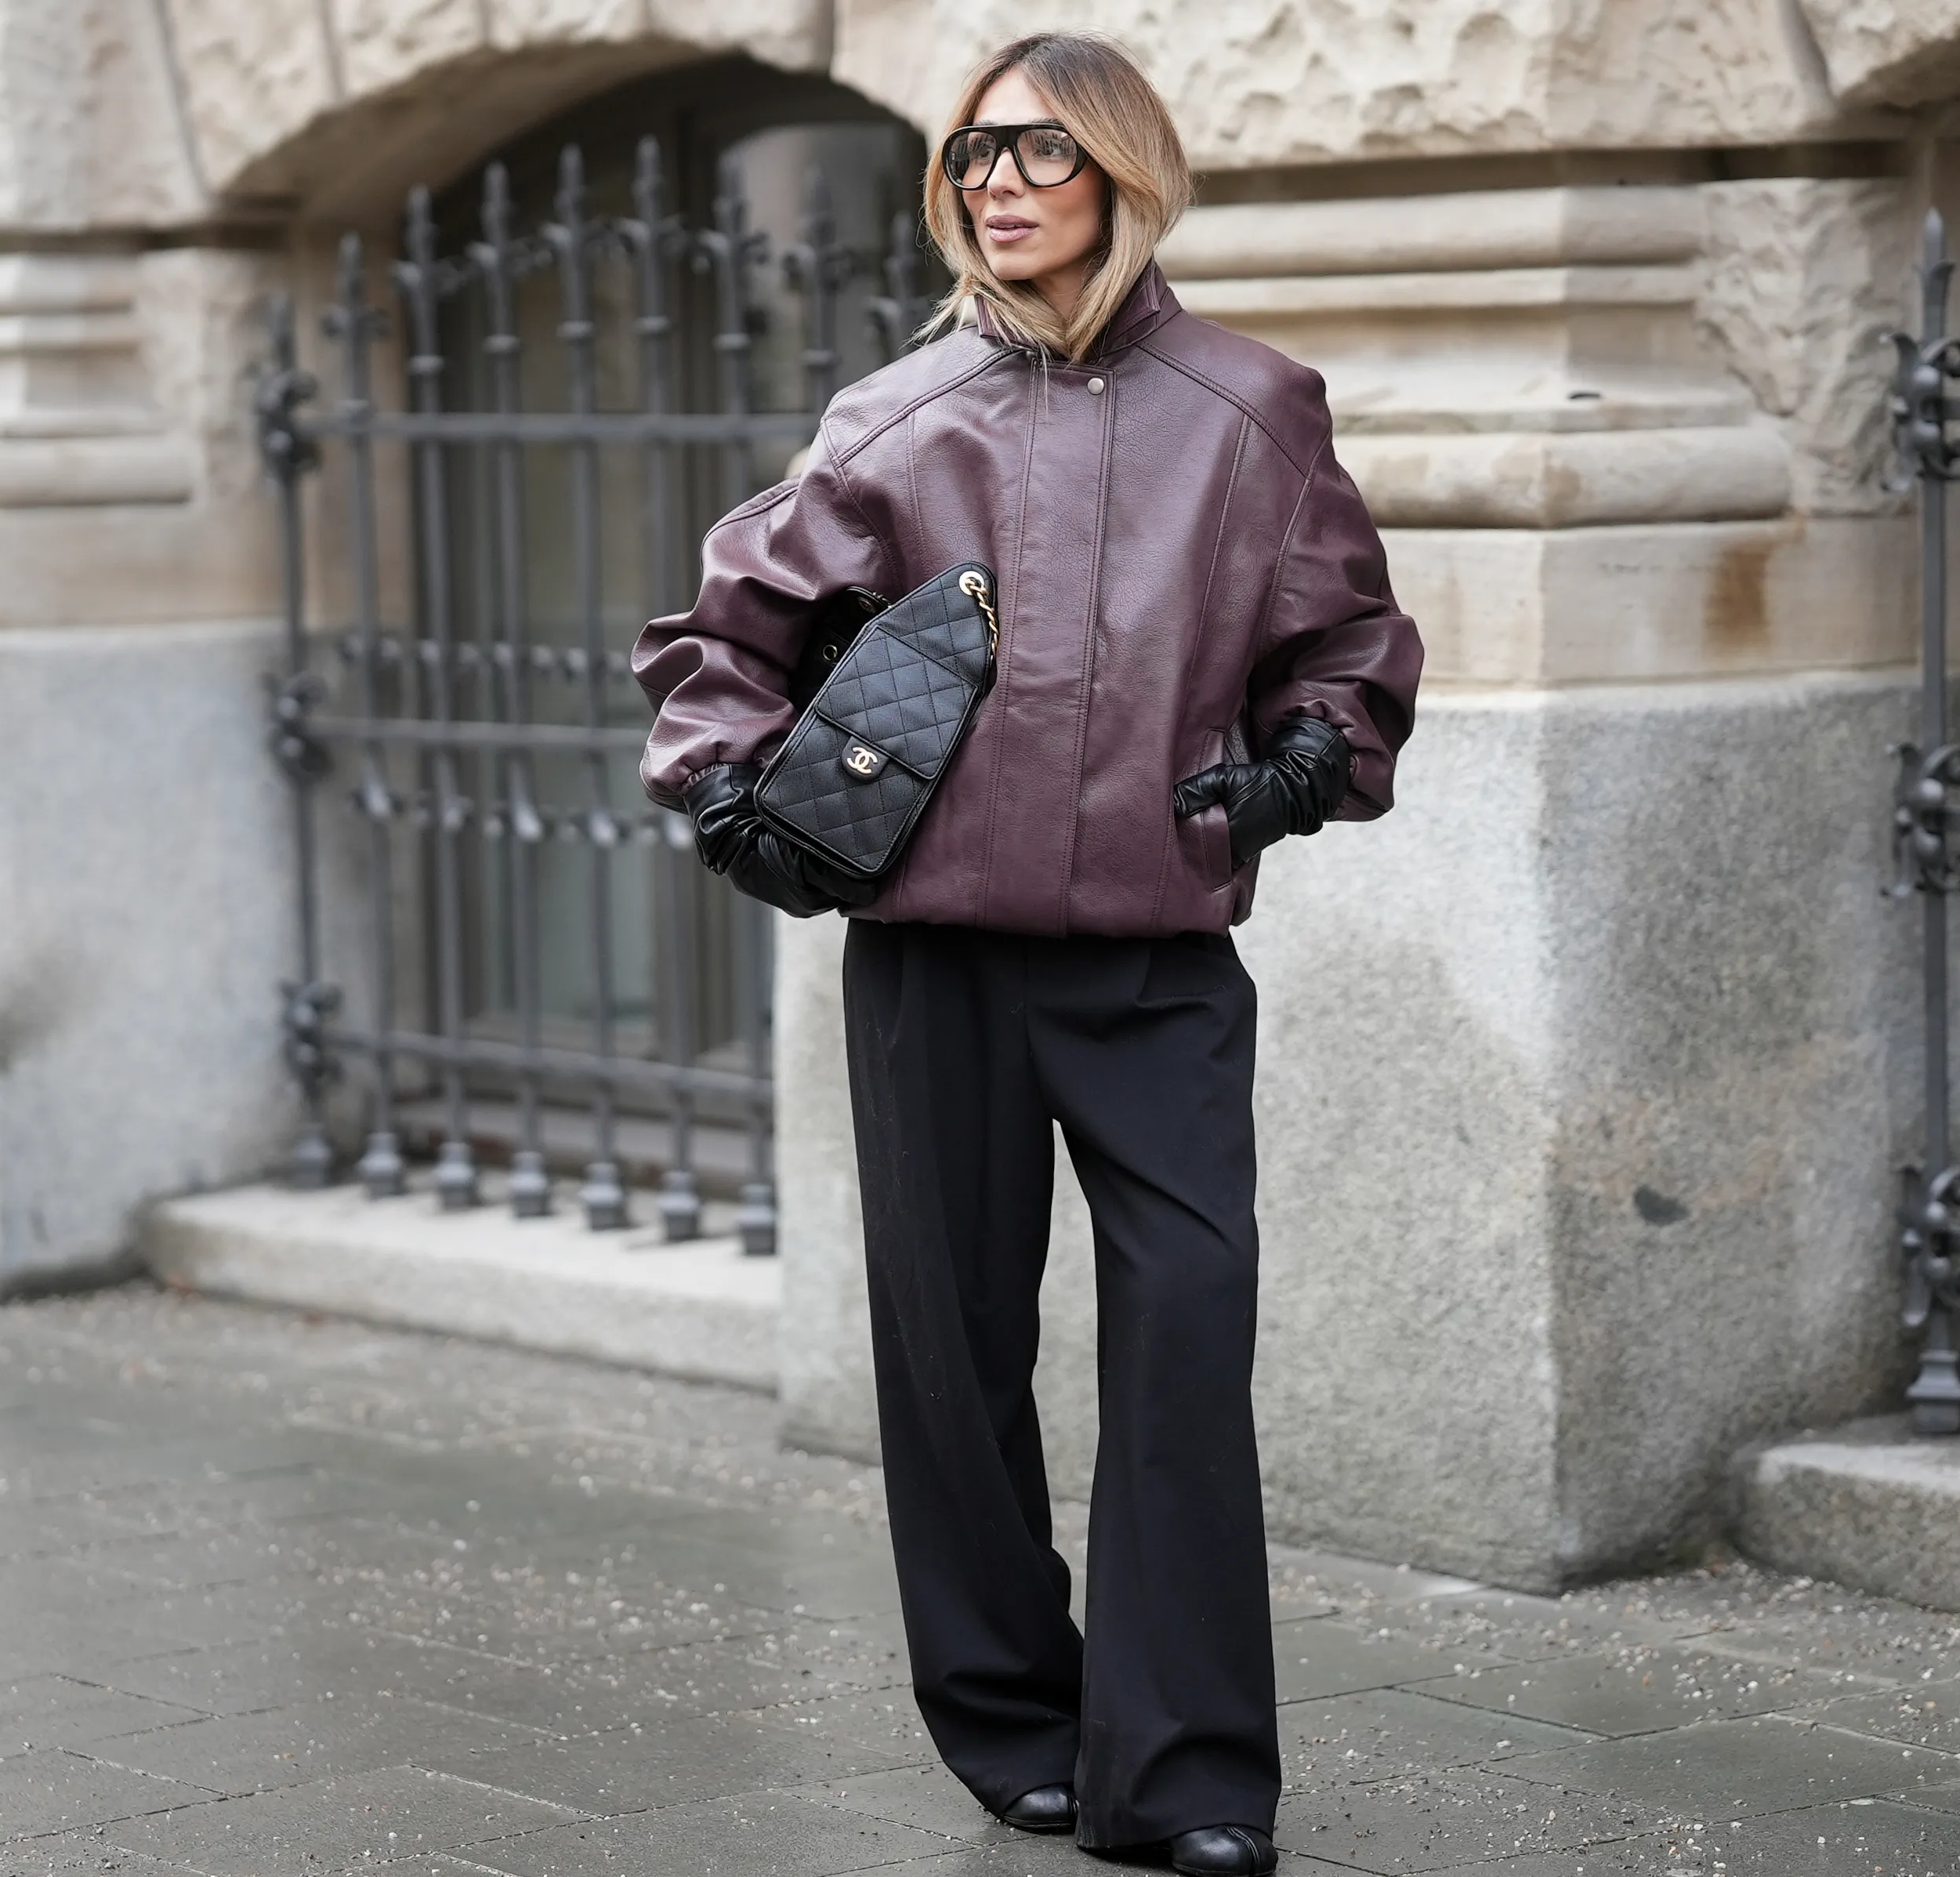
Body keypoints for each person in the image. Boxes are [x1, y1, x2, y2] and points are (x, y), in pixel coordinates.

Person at [631, 31, 1420, 1876]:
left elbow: (1348, 640)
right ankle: (1012, 1727)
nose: (996, 180)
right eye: (971, 151)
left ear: (1123, 176)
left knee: (1180, 1346)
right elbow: (715, 645)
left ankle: (1195, 1777)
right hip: (935, 971)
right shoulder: (892, 420)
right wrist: (739, 796)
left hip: (1153, 970)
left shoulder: (1250, 404)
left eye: (1039, 151)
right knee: (952, 1357)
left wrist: (1297, 770)